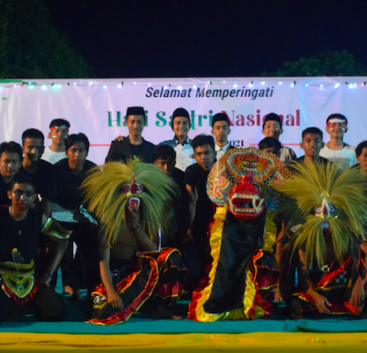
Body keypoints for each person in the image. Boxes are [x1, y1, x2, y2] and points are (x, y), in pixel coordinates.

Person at [188, 147, 292, 322]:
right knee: (224, 262)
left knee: (259, 259)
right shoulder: (224, 204)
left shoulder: (268, 199)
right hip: (231, 227)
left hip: (257, 228)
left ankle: (249, 304)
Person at [275, 162, 367, 318]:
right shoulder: (305, 241)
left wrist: (360, 284)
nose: (325, 221)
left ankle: (350, 300)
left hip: (345, 289)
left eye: (331, 212)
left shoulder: (348, 234)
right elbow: (303, 279)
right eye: (319, 213)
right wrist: (315, 296)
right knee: (297, 304)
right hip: (319, 289)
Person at [82, 159, 186, 324]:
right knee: (104, 313)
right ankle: (135, 302)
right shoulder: (109, 221)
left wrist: (136, 228)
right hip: (112, 275)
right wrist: (110, 292)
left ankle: (162, 306)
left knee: (169, 256)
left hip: (136, 273)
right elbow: (104, 262)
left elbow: (155, 254)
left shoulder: (148, 217)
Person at [0, 177, 69, 327]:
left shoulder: (39, 217)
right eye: (18, 193)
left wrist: (48, 274)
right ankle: (10, 305)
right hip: (2, 279)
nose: (23, 198)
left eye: (28, 194)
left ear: (34, 196)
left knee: (58, 312)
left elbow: (63, 239)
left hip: (30, 280)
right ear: (9, 194)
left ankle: (21, 306)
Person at [48, 133, 99, 298]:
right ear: (66, 152)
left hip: (82, 217)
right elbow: (49, 201)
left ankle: (82, 287)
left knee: (89, 248)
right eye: (74, 150)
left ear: (87, 152)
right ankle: (49, 288)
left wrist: (88, 214)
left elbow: (97, 198)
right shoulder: (57, 170)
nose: (78, 155)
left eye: (82, 151)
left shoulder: (93, 170)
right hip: (59, 216)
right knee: (60, 248)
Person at [184, 135, 217, 283]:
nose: (203, 157)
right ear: (194, 155)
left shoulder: (224, 170)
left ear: (214, 153)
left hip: (220, 216)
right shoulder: (191, 171)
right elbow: (190, 200)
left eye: (207, 153)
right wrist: (189, 225)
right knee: (197, 251)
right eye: (199, 154)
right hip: (199, 213)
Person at [20, 128, 54, 217]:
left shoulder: (49, 170)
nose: (34, 152)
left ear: (43, 149)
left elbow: (46, 201)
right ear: (23, 149)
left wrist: (46, 225)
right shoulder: (15, 169)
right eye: (30, 147)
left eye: (38, 148)